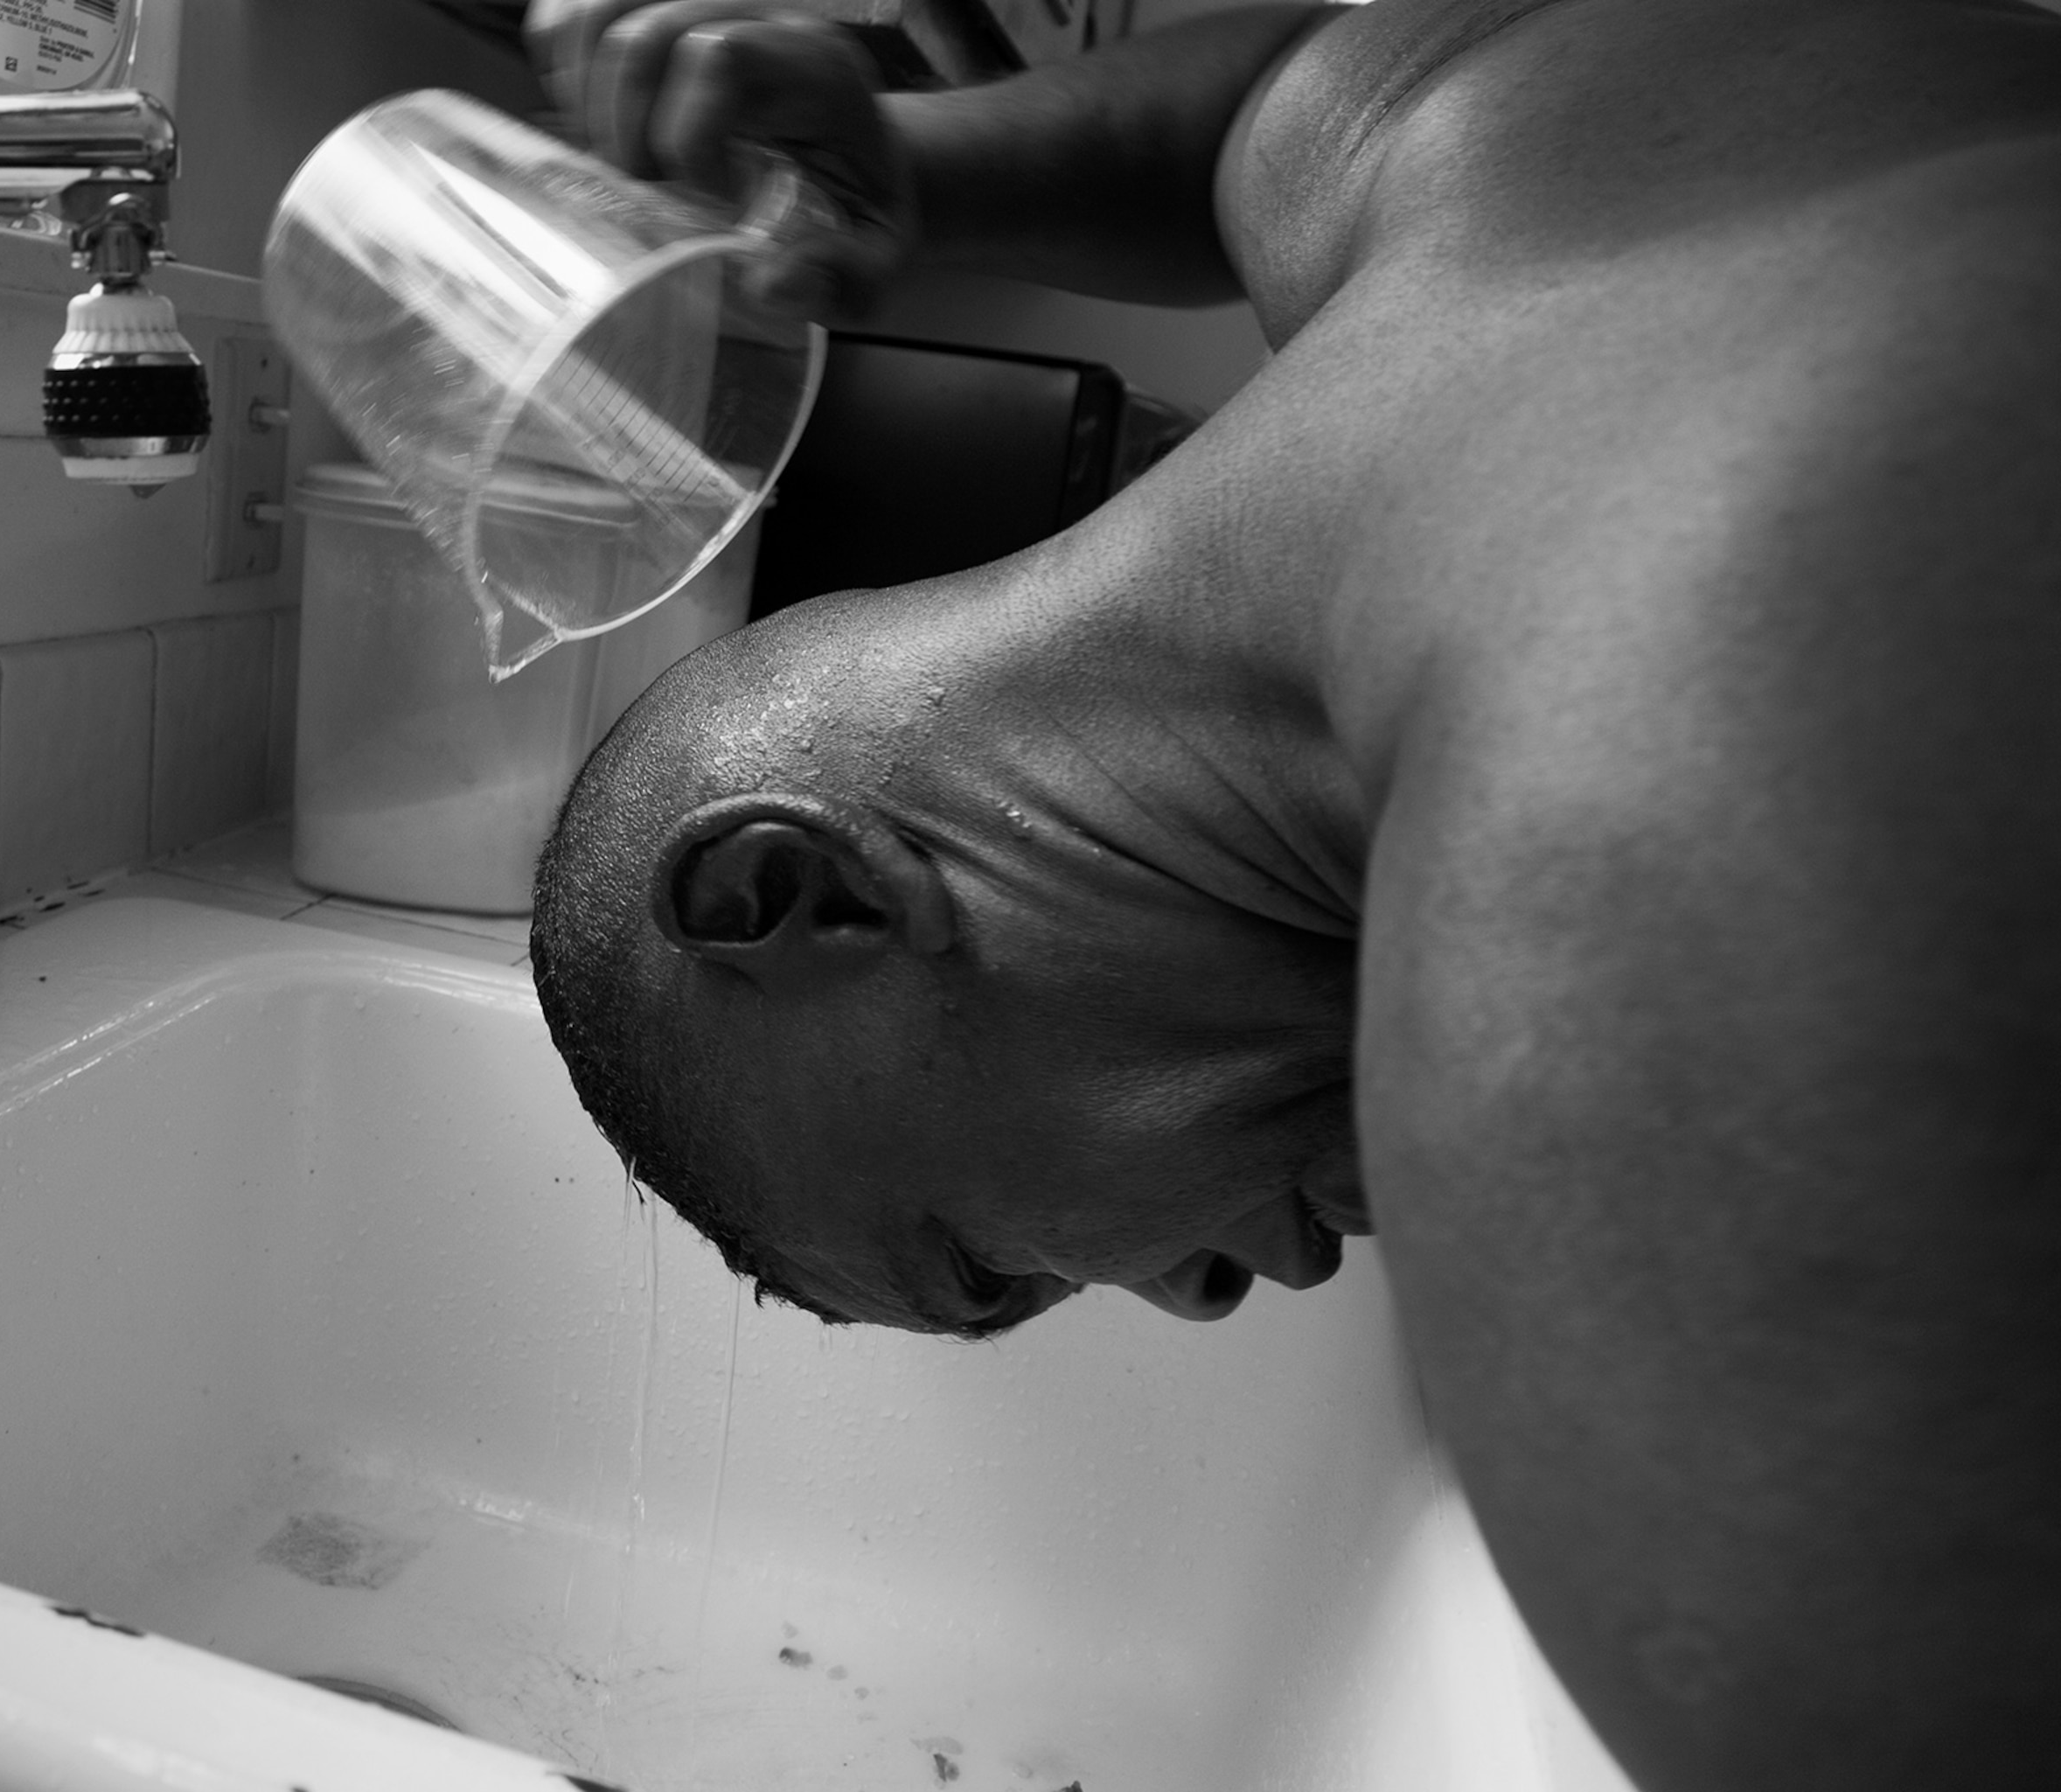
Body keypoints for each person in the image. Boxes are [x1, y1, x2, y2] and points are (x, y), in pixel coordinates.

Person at [520, 2, 2061, 1789]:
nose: (1192, 1295)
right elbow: (1275, 69)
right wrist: (920, 169)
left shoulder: (1606, 948)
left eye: (989, 1263)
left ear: (799, 894)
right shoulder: (1444, 138)